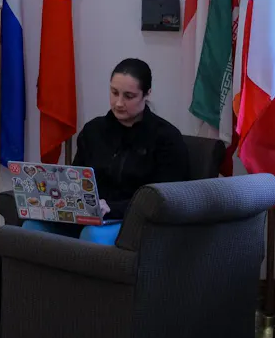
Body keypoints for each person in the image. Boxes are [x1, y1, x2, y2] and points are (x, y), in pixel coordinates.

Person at [22, 57, 189, 245]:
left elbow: (164, 198)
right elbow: (76, 180)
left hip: (132, 219)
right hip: (89, 215)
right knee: (31, 227)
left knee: (93, 235)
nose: (118, 103)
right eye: (114, 92)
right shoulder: (93, 130)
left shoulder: (166, 138)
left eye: (129, 96)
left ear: (147, 94)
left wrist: (111, 207)